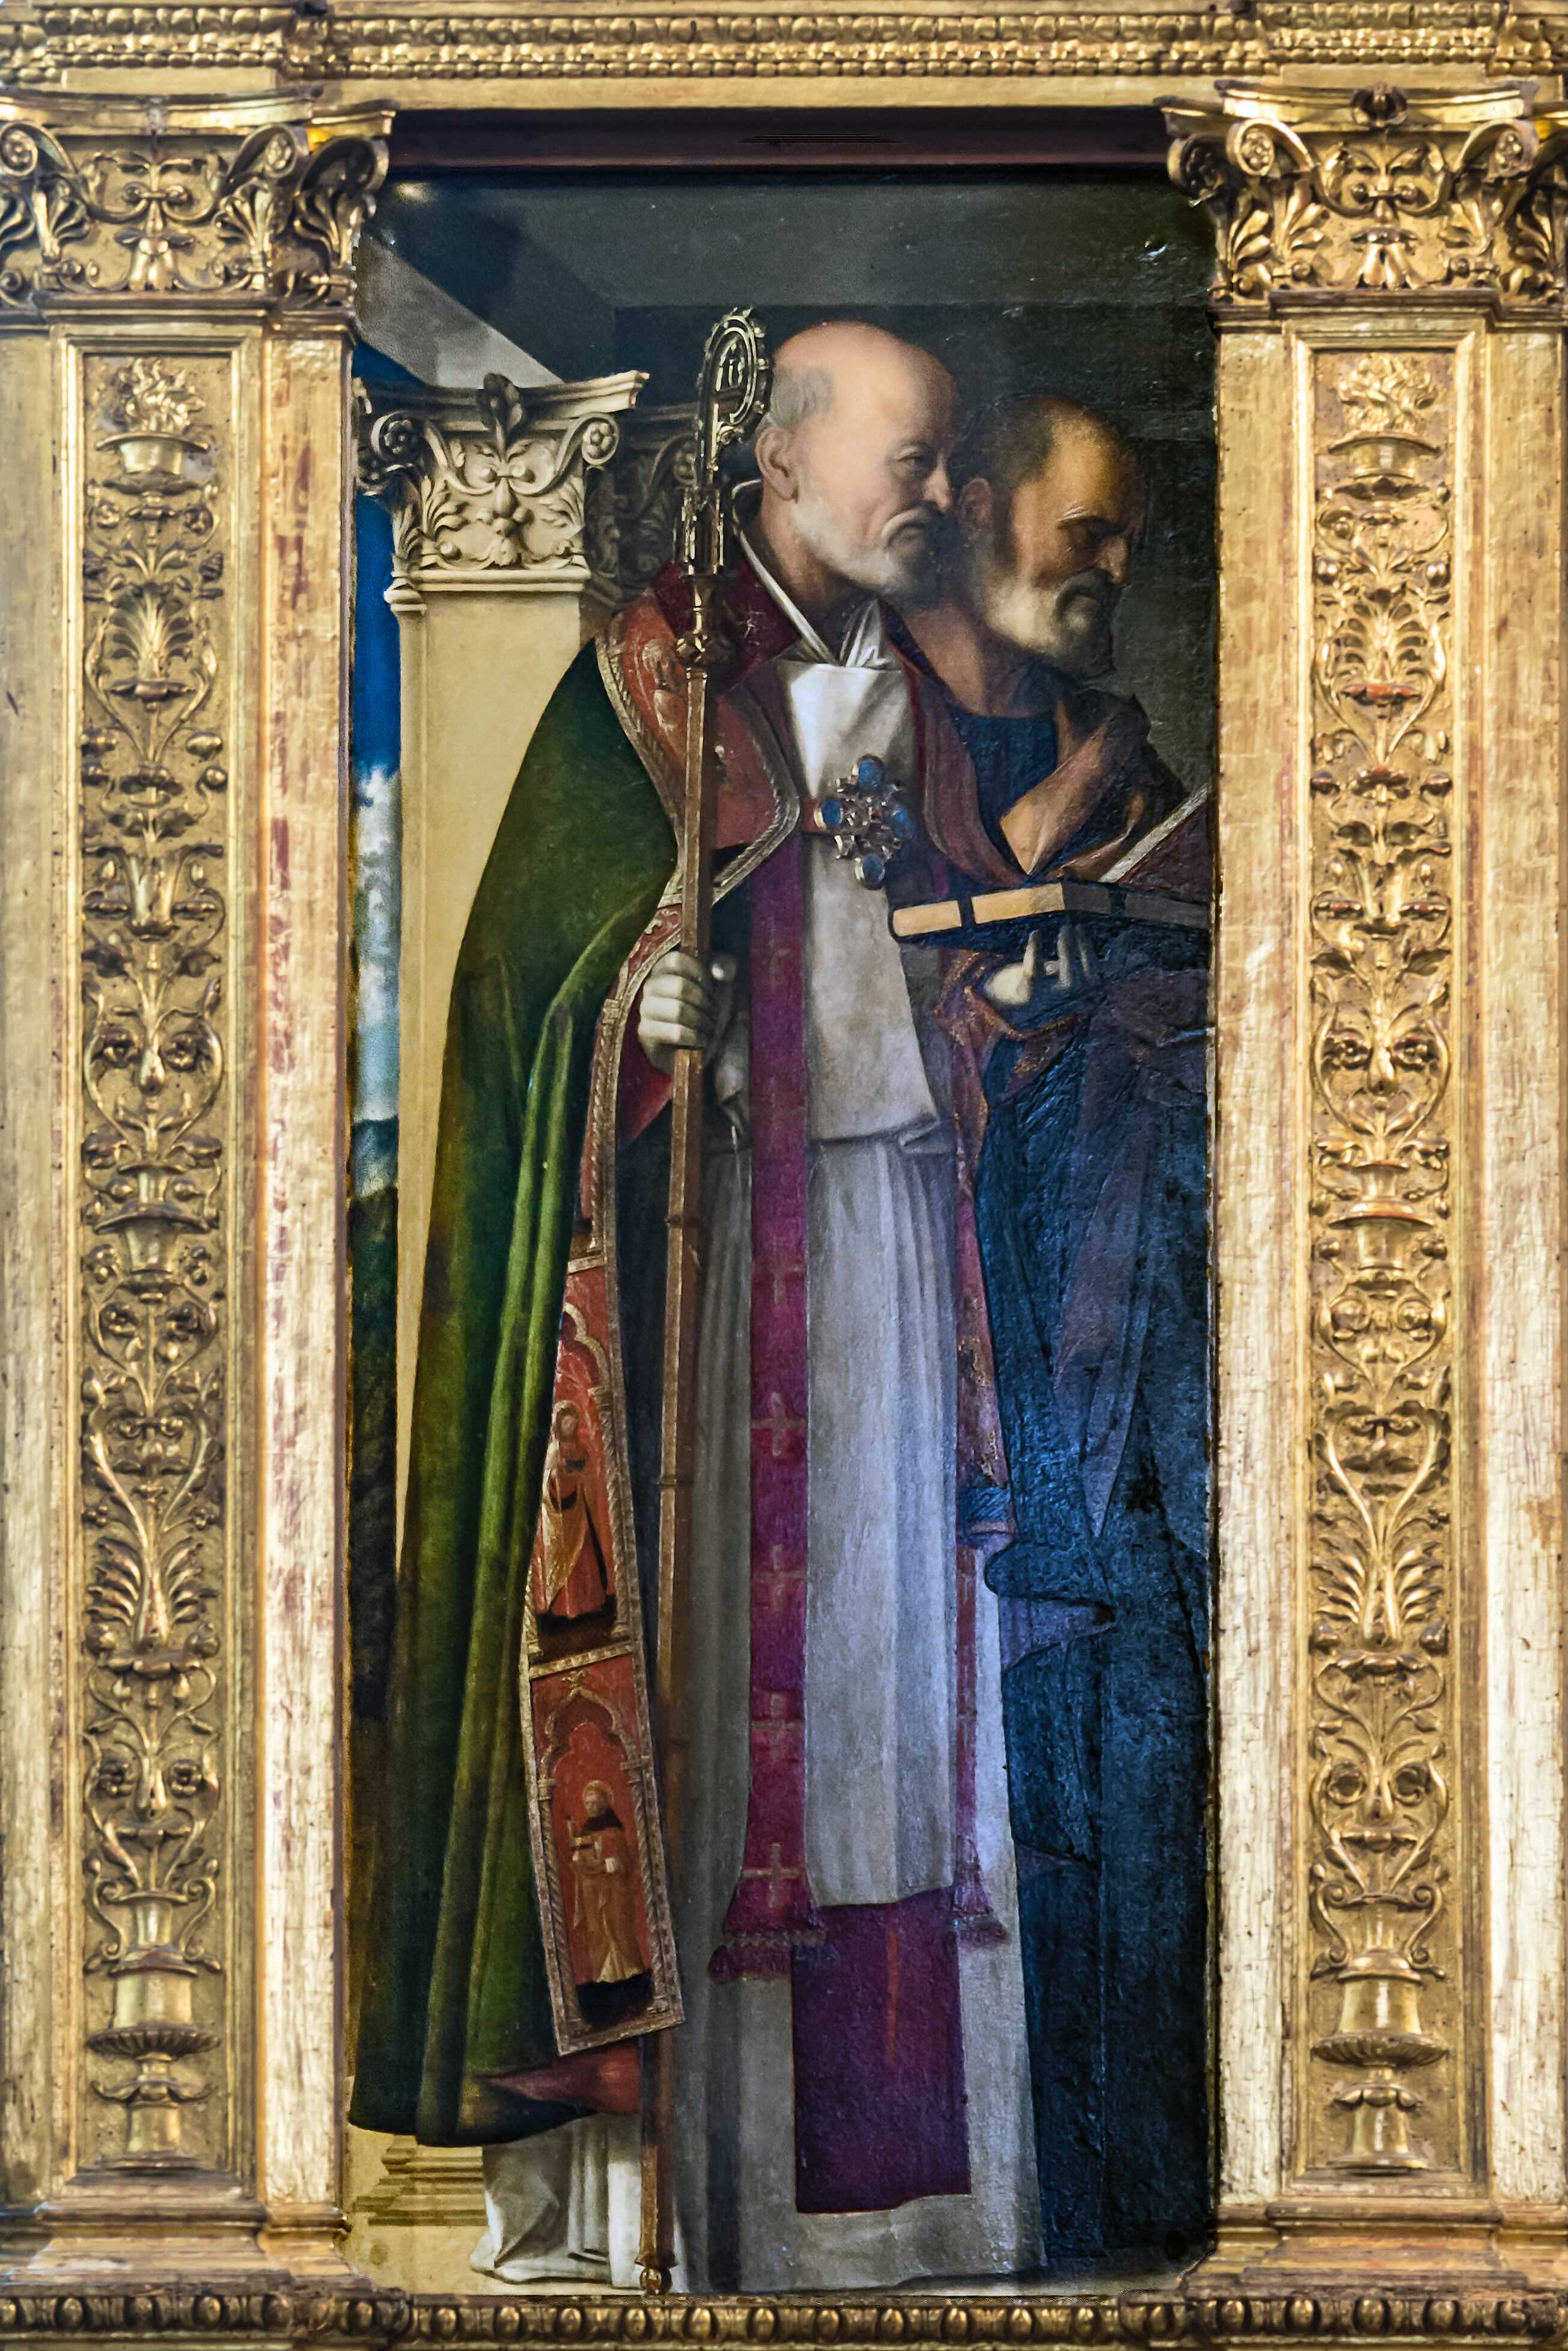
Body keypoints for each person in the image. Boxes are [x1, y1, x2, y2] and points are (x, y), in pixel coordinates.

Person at [353, 320, 1041, 2293]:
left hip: (884, 1262)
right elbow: (528, 999)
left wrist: (993, 1002)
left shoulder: (933, 696)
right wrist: (630, 1015)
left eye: (945, 464)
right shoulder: (643, 683)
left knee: (888, 1714)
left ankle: (893, 2213)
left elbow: (950, 957)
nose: (937, 495)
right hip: (713, 1288)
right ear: (785, 457)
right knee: (710, 1715)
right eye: (909, 459)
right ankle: (667, 2202)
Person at [888, 394, 1212, 2266]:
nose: (1110, 568)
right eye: (1084, 528)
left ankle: (1124, 2197)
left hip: (1112, 1371)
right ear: (980, 507)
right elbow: (854, 994)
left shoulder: (1116, 749)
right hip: (941, 1355)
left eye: (1126, 538)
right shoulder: (869, 728)